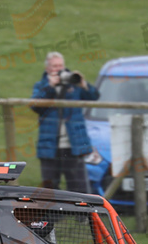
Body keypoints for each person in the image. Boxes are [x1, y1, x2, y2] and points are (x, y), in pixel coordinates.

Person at [32, 52, 99, 193]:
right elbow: (35, 106)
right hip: (50, 146)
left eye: (60, 65)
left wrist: (83, 84)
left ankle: (83, 215)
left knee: (79, 187)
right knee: (50, 188)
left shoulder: (74, 85)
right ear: (47, 68)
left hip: (73, 145)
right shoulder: (41, 86)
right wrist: (50, 87)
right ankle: (51, 215)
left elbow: (94, 96)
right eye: (54, 66)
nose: (58, 68)